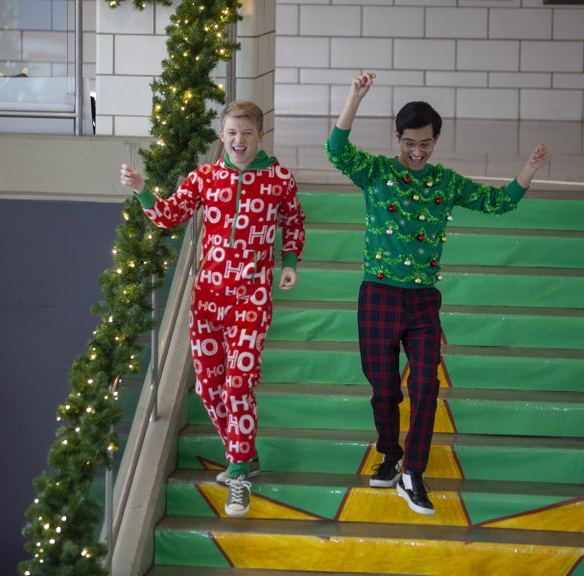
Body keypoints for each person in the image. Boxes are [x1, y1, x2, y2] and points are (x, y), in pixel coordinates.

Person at [325, 73, 551, 516]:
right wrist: (354, 98)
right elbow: (337, 150)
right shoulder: (379, 172)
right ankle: (390, 454)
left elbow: (497, 202)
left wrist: (529, 169)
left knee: (426, 384)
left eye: (425, 143)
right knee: (384, 389)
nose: (416, 151)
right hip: (378, 296)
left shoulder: (445, 182)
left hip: (423, 300)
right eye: (410, 142)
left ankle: (414, 473)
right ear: (397, 138)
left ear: (436, 139)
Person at [120, 100, 306, 518]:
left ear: (260, 136)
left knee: (238, 384)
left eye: (247, 133)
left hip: (252, 295)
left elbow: (293, 222)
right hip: (206, 297)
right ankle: (245, 453)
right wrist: (141, 189)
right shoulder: (205, 177)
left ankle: (238, 473)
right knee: (208, 388)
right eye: (231, 133)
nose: (239, 140)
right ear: (221, 136)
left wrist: (289, 263)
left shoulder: (278, 178)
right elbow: (169, 216)